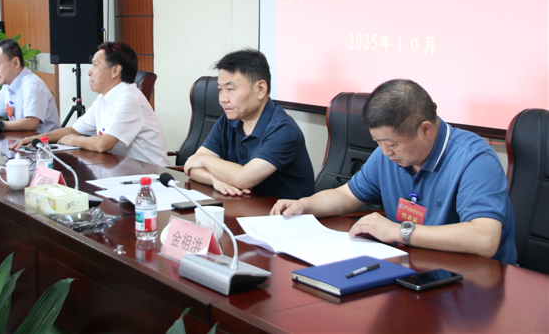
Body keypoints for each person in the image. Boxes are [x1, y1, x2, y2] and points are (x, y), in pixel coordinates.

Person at [270, 79, 517, 264]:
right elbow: (346, 196)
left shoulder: (473, 160)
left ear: (425, 130)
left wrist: (399, 231)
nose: (385, 152)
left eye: (392, 144)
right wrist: (304, 205)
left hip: (473, 281)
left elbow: (485, 239)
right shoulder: (386, 155)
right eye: (378, 142)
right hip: (414, 266)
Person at [184, 49, 315, 199]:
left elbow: (243, 179)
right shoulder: (228, 120)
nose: (222, 99)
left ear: (260, 89)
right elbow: (192, 167)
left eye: (230, 89)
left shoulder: (283, 130)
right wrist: (214, 180)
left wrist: (204, 159)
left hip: (281, 211)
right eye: (220, 90)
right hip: (244, 206)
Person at [13, 42, 170, 167]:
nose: (89, 71)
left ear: (115, 71)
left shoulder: (129, 98)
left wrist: (73, 140)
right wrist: (39, 139)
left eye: (95, 65)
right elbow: (74, 130)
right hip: (121, 169)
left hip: (150, 176)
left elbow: (103, 144)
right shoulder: (103, 98)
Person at [0, 38, 60, 134]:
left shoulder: (31, 85)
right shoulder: (7, 85)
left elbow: (32, 123)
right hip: (22, 139)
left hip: (44, 141)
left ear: (16, 63)